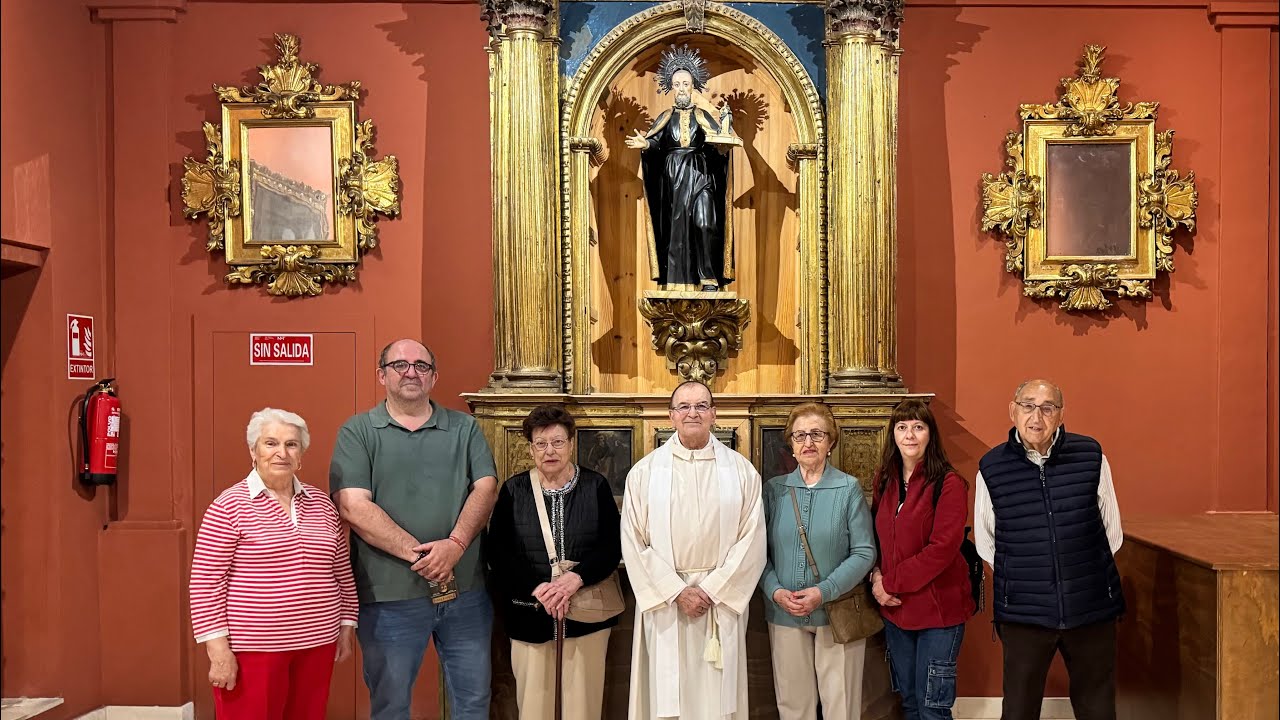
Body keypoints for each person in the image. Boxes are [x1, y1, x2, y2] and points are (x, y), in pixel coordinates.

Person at [329, 339, 499, 720]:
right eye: (400, 364)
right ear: (382, 375)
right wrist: (425, 556)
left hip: (466, 592)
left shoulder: (464, 427)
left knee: (473, 702)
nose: (411, 372)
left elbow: (486, 487)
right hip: (389, 597)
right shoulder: (358, 431)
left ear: (434, 377)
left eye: (421, 366)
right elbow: (353, 505)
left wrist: (454, 546)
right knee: (390, 705)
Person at [190, 408, 357, 719]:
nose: (282, 453)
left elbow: (341, 571)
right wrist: (218, 651)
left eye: (292, 444)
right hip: (254, 649)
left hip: (317, 643)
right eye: (271, 443)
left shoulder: (322, 504)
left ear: (301, 454)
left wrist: (347, 623)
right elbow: (205, 584)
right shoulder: (227, 507)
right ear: (253, 450)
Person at [975, 380, 1124, 720]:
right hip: (1024, 614)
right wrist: (1029, 578)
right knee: (1019, 710)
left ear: (1060, 414)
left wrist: (1079, 576)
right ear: (1013, 411)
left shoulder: (1091, 456)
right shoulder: (992, 467)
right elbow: (986, 543)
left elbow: (1112, 534)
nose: (1036, 416)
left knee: (1098, 708)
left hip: (1091, 608)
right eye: (1028, 406)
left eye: (1047, 407)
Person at [620, 380, 766, 720]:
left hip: (720, 604)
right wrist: (677, 592)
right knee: (666, 697)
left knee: (718, 696)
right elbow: (634, 542)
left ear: (714, 414)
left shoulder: (742, 472)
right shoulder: (644, 473)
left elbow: (752, 540)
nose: (692, 413)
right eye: (684, 406)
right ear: (670, 416)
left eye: (701, 406)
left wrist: (712, 591)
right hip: (667, 604)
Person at [488, 405, 623, 720]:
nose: (550, 451)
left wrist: (575, 579)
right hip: (530, 611)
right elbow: (499, 552)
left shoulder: (596, 486)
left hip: (587, 611)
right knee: (534, 706)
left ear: (572, 443)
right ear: (531, 447)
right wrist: (539, 588)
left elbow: (611, 545)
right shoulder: (514, 490)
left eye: (558, 442)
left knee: (583, 707)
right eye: (541, 443)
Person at [760, 402, 877, 720]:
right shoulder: (774, 490)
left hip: (836, 615)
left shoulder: (848, 488)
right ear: (791, 444)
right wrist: (775, 592)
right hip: (784, 615)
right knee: (793, 708)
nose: (808, 443)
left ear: (831, 442)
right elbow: (758, 553)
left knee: (841, 706)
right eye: (800, 436)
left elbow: (864, 552)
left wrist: (822, 592)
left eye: (816, 434)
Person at [869, 399, 975, 720]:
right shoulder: (884, 481)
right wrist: (875, 576)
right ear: (893, 435)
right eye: (902, 427)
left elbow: (942, 548)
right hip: (896, 612)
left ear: (931, 434)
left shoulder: (949, 483)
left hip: (938, 613)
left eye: (918, 427)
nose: (910, 435)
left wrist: (889, 583)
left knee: (932, 708)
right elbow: (876, 540)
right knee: (910, 704)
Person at [624, 44, 737, 291]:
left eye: (686, 84)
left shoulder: (703, 116)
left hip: (700, 175)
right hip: (674, 179)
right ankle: (679, 282)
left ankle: (709, 278)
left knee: (705, 222)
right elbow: (656, 143)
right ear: (671, 87)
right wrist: (646, 144)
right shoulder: (665, 116)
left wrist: (724, 141)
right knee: (677, 230)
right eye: (677, 84)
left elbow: (719, 142)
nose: (682, 89)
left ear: (693, 85)